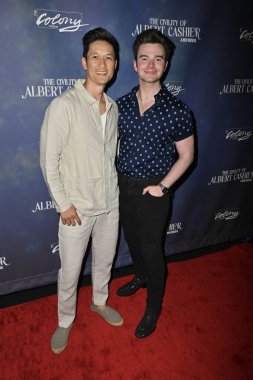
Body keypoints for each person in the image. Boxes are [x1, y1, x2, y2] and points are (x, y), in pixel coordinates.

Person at [40, 27, 123, 354]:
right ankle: (64, 320)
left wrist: (112, 198)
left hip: (109, 206)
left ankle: (99, 302)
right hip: (75, 209)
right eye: (96, 57)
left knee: (104, 262)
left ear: (115, 65)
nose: (102, 64)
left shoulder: (113, 107)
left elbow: (109, 156)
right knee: (70, 272)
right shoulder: (64, 105)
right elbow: (49, 159)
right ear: (84, 62)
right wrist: (63, 204)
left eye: (109, 58)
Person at [116, 29, 195, 338]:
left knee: (151, 249)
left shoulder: (178, 111)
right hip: (123, 185)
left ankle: (153, 306)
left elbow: (187, 156)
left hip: (155, 189)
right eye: (144, 58)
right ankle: (141, 278)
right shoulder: (120, 106)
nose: (150, 65)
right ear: (134, 64)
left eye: (157, 59)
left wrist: (162, 187)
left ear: (166, 65)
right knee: (133, 242)